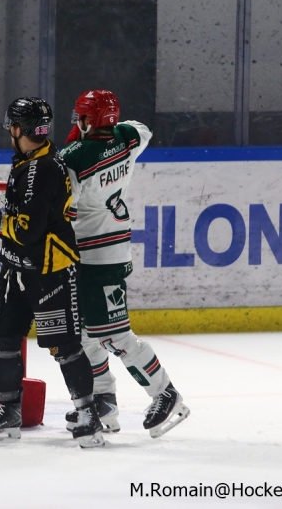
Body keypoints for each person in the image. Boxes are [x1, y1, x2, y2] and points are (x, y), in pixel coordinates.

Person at [0, 97, 105, 448]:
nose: (10, 131)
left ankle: (88, 414)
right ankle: (9, 411)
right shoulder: (28, 161)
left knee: (65, 346)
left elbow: (27, 229)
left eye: (11, 125)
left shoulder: (43, 169)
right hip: (16, 268)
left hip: (49, 271)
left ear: (19, 129)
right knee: (4, 339)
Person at [60, 89, 190, 438]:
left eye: (82, 116)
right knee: (84, 334)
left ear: (91, 119)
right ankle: (104, 401)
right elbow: (141, 128)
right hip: (111, 247)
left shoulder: (73, 157)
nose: (78, 122)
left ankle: (166, 393)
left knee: (114, 336)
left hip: (97, 255)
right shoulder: (128, 137)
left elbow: (64, 211)